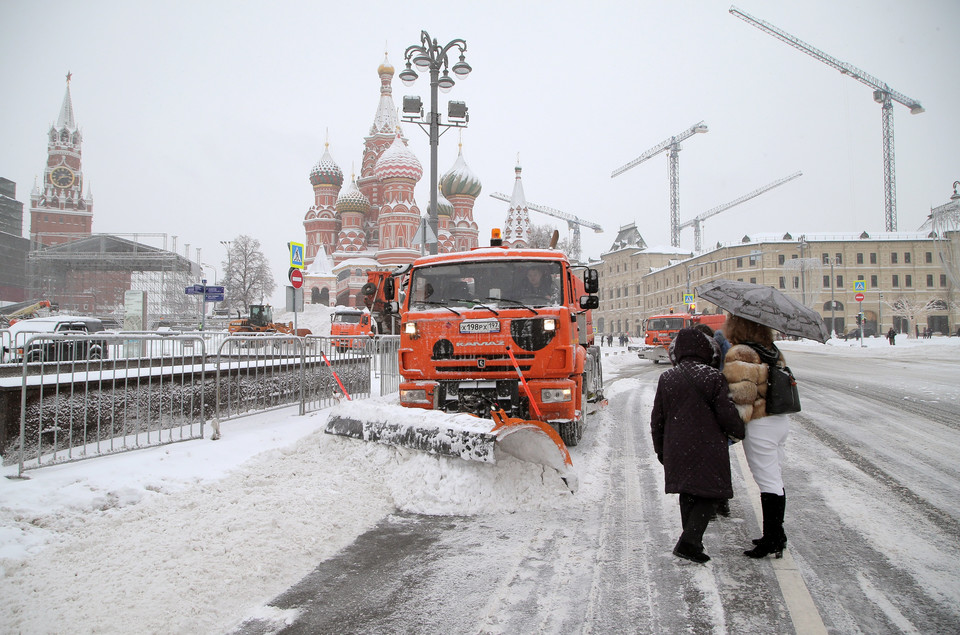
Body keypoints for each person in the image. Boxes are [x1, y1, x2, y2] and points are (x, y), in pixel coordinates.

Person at [651, 328, 745, 564]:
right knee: (710, 493)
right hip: (707, 445)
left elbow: (657, 419)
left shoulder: (667, 378)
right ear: (705, 350)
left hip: (677, 445)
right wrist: (738, 430)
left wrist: (660, 449)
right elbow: (726, 412)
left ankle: (693, 543)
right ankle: (690, 542)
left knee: (688, 492)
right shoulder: (713, 377)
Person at [722, 314, 791, 559]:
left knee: (767, 481)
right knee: (774, 477)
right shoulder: (772, 350)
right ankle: (776, 534)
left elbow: (742, 396)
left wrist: (732, 428)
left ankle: (772, 539)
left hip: (760, 423)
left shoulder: (741, 353)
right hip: (779, 419)